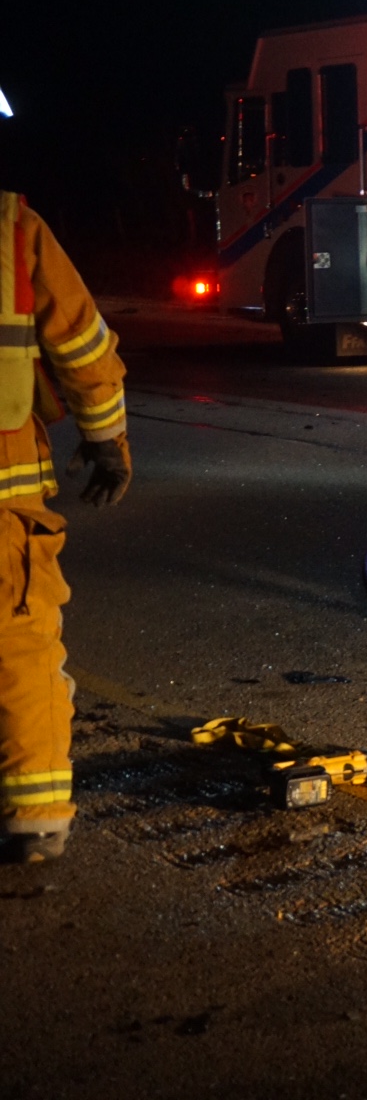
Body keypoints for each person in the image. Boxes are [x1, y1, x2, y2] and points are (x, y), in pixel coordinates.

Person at [0, 190, 131, 866]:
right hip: (4, 492)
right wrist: (106, 439)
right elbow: (80, 342)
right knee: (19, 653)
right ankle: (34, 822)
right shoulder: (13, 228)